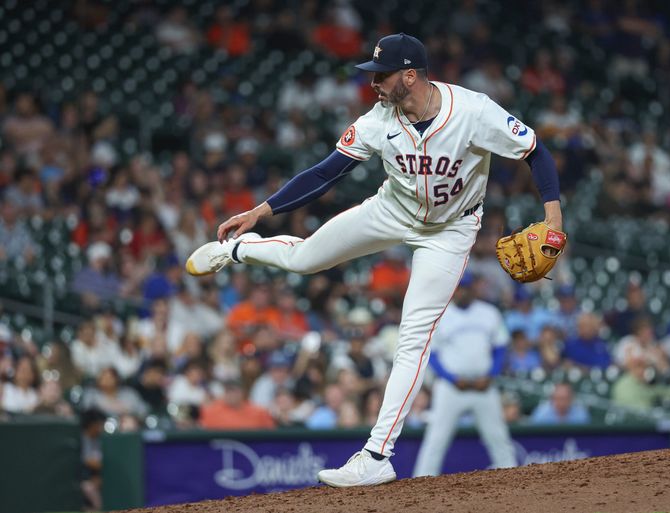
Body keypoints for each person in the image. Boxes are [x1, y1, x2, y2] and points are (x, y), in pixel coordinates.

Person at [186, 33, 563, 487]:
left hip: (451, 230)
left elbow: (535, 150)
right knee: (305, 259)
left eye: (381, 75)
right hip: (391, 210)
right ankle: (236, 251)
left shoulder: (474, 111)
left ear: (410, 75)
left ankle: (377, 455)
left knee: (414, 338)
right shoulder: (378, 120)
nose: (373, 84)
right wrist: (261, 211)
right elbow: (326, 172)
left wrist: (553, 219)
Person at [412, 273, 515, 477]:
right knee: (436, 439)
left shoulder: (489, 312)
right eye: (459, 288)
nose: (462, 291)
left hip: (483, 386)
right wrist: (450, 378)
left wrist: (491, 374)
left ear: (473, 289)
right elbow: (431, 355)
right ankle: (421, 482)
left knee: (498, 437)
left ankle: (514, 479)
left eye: (466, 287)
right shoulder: (441, 315)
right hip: (452, 387)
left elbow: (501, 347)